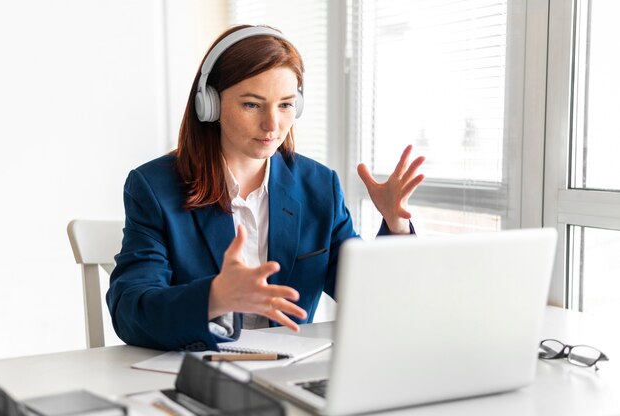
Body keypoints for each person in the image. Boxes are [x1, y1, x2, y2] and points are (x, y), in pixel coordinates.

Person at [106, 24, 425, 352]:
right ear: (209, 104)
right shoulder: (155, 188)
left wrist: (396, 225)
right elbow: (130, 310)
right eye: (252, 105)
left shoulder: (319, 186)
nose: (273, 125)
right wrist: (215, 297)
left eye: (286, 105)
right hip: (198, 371)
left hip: (290, 370)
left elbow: (368, 299)